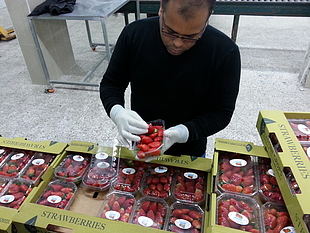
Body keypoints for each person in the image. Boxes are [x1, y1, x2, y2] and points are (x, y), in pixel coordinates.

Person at [100, 0, 241, 157]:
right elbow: (111, 83)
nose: (178, 43)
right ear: (161, 8)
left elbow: (221, 113)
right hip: (141, 145)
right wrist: (117, 112)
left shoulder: (224, 52)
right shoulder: (134, 34)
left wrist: (183, 132)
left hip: (190, 151)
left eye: (191, 36)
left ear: (207, 18)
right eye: (170, 31)